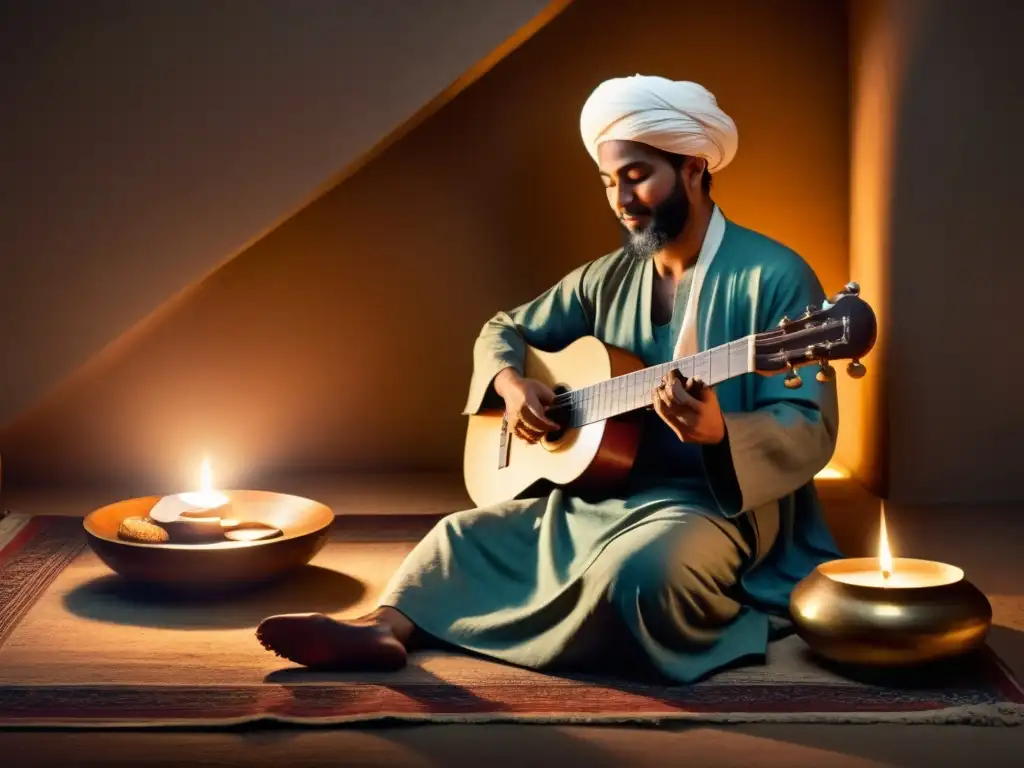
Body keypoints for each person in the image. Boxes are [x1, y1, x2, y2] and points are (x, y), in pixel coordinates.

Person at [256, 75, 844, 683]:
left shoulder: (776, 276)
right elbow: (502, 329)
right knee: (456, 537)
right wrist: (512, 386)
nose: (620, 198)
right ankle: (383, 629)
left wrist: (721, 430)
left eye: (636, 175)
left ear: (693, 167)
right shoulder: (607, 278)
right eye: (609, 182)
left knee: (639, 578)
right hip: (602, 492)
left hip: (713, 507)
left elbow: (807, 423)